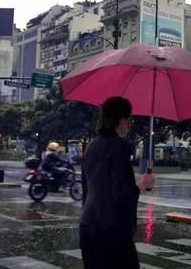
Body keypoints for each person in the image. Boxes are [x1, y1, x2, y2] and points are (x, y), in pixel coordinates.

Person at [79, 96, 155, 269]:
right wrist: (144, 183)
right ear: (122, 119)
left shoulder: (91, 146)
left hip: (88, 225)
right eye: (130, 119)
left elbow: (86, 189)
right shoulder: (119, 146)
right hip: (112, 230)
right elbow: (122, 193)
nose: (130, 124)